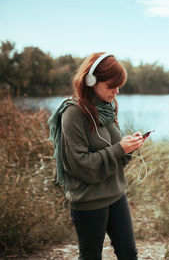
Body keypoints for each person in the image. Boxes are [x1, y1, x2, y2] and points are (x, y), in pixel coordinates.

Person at [48, 52, 143, 260]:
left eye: (119, 86)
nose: (116, 92)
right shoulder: (73, 114)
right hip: (89, 202)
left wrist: (129, 147)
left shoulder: (108, 108)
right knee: (91, 257)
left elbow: (118, 160)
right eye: (111, 86)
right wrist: (120, 149)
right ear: (90, 81)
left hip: (116, 195)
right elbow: (82, 166)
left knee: (129, 254)